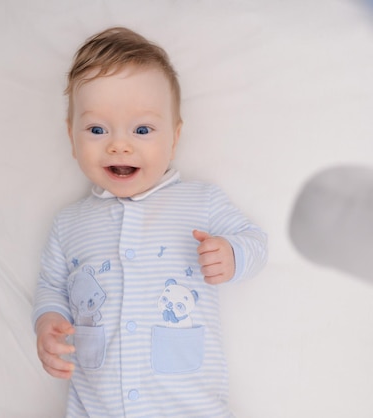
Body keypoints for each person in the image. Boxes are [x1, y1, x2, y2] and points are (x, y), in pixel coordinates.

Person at [32, 26, 268, 417]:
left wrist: (232, 253)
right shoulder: (69, 224)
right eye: (96, 129)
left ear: (174, 138)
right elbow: (51, 287)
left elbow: (256, 241)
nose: (119, 145)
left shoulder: (200, 201)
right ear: (71, 138)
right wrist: (49, 322)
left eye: (142, 130)